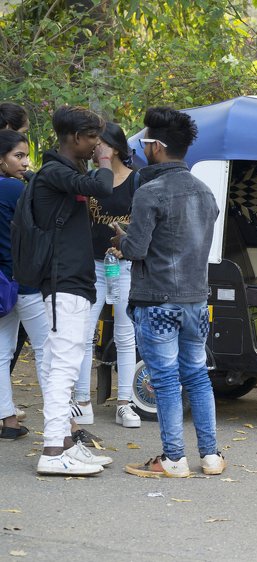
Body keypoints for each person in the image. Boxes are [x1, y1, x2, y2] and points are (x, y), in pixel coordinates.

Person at [115, 106, 224, 478]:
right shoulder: (205, 192)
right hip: (196, 300)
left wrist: (120, 239)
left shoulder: (151, 191)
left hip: (158, 300)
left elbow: (137, 250)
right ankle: (211, 457)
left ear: (156, 146)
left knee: (164, 380)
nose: (143, 150)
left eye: (145, 143)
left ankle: (173, 458)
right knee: (196, 375)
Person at [31, 106, 115, 476]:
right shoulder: (55, 171)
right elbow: (104, 187)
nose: (98, 144)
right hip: (61, 279)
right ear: (76, 138)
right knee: (62, 363)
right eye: (94, 137)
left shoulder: (67, 173)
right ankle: (52, 449)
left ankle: (65, 443)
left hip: (75, 278)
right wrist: (107, 160)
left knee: (64, 359)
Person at [71, 122, 141, 429]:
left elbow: (142, 223)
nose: (95, 147)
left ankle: (124, 403)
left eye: (101, 143)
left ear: (114, 147)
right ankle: (81, 401)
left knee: (126, 336)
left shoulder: (135, 180)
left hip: (123, 265)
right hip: (94, 265)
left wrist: (128, 249)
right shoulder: (91, 180)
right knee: (85, 334)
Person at [0, 129, 44, 440]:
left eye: (26, 156)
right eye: (18, 156)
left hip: (2, 285)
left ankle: (8, 420)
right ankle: (67, 426)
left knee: (2, 353)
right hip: (23, 280)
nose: (25, 162)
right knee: (47, 350)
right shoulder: (15, 189)